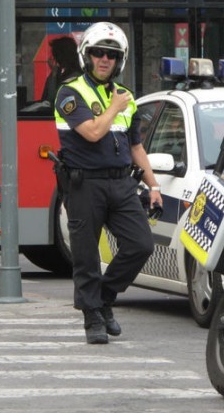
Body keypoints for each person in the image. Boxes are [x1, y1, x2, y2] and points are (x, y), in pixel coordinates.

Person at [53, 22, 162, 344]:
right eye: (98, 53)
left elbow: (135, 145)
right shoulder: (70, 91)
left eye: (111, 55)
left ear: (119, 61)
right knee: (86, 257)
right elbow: (92, 132)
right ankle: (93, 320)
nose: (104, 59)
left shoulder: (125, 96)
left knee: (141, 245)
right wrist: (114, 107)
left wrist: (153, 186)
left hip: (121, 184)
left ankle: (104, 298)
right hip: (84, 184)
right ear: (86, 56)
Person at [41, 36, 79, 102]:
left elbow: (52, 99)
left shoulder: (75, 76)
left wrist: (53, 74)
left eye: (54, 55)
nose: (53, 58)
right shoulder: (61, 72)